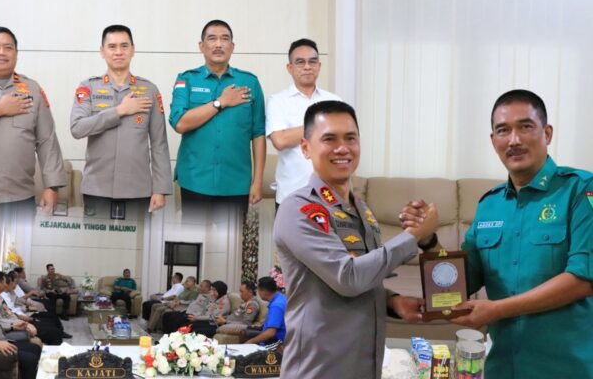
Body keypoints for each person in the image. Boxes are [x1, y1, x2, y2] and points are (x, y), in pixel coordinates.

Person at [401, 89, 593, 379]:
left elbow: (582, 279)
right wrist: (427, 239)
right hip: (503, 367)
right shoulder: (489, 204)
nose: (513, 140)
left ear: (547, 133)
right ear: (493, 140)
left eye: (525, 127)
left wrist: (498, 310)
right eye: (503, 130)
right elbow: (463, 280)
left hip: (565, 367)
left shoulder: (581, 189)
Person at [273, 100, 438, 379]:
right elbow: (348, 277)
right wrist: (414, 236)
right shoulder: (298, 209)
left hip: (363, 365)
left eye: (351, 138)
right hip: (319, 369)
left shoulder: (361, 209)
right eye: (329, 139)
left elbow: (364, 275)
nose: (342, 148)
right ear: (305, 147)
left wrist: (392, 301)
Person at [70, 25, 172, 217]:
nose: (118, 52)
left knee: (138, 238)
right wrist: (119, 111)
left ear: (133, 50)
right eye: (112, 46)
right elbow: (77, 128)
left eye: (124, 46)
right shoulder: (88, 87)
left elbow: (159, 143)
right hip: (97, 189)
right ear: (102, 51)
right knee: (95, 238)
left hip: (138, 190)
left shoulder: (149, 90)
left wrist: (160, 188)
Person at [169, 20, 266, 218]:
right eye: (212, 39)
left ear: (232, 46)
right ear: (201, 46)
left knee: (232, 238)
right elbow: (179, 123)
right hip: (195, 180)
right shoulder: (187, 79)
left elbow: (258, 134)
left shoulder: (249, 82)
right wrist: (221, 102)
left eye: (225, 39)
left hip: (236, 183)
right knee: (194, 237)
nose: (218, 44)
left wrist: (257, 182)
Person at [0, 27, 66, 218]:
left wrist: (52, 186)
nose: (1, 52)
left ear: (16, 54)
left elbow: (47, 140)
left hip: (18, 197)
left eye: (8, 47)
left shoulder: (32, 89)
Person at [266, 38, 341, 211]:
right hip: (291, 196)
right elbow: (280, 140)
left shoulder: (335, 101)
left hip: (329, 196)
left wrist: (297, 133)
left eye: (312, 61)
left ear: (319, 66)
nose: (307, 67)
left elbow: (342, 141)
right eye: (300, 62)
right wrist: (322, 123)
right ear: (290, 68)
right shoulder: (277, 101)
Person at [1, 272, 66, 344]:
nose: (14, 284)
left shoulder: (9, 293)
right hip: (20, 320)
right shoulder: (0, 298)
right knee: (53, 329)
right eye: (13, 282)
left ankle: (60, 333)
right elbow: (11, 314)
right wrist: (29, 319)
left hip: (22, 316)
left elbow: (18, 302)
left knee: (51, 319)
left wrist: (29, 307)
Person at [245, 276, 286, 345]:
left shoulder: (276, 306)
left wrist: (249, 342)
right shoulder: (280, 298)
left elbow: (270, 333)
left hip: (275, 344)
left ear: (263, 291)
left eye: (258, 290)